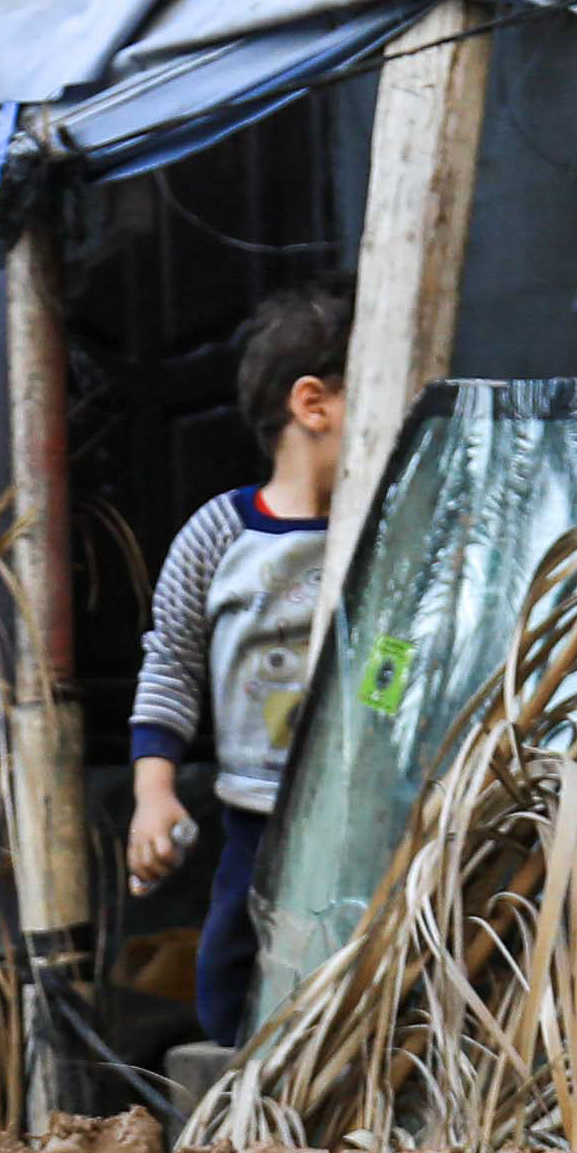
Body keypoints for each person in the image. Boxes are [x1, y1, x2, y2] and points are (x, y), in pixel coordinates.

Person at [120, 275, 354, 1048]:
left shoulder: (385, 529)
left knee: (353, 976)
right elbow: (171, 665)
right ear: (313, 404)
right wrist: (155, 794)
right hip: (256, 813)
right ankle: (241, 1141)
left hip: (363, 815)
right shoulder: (219, 537)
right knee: (230, 979)